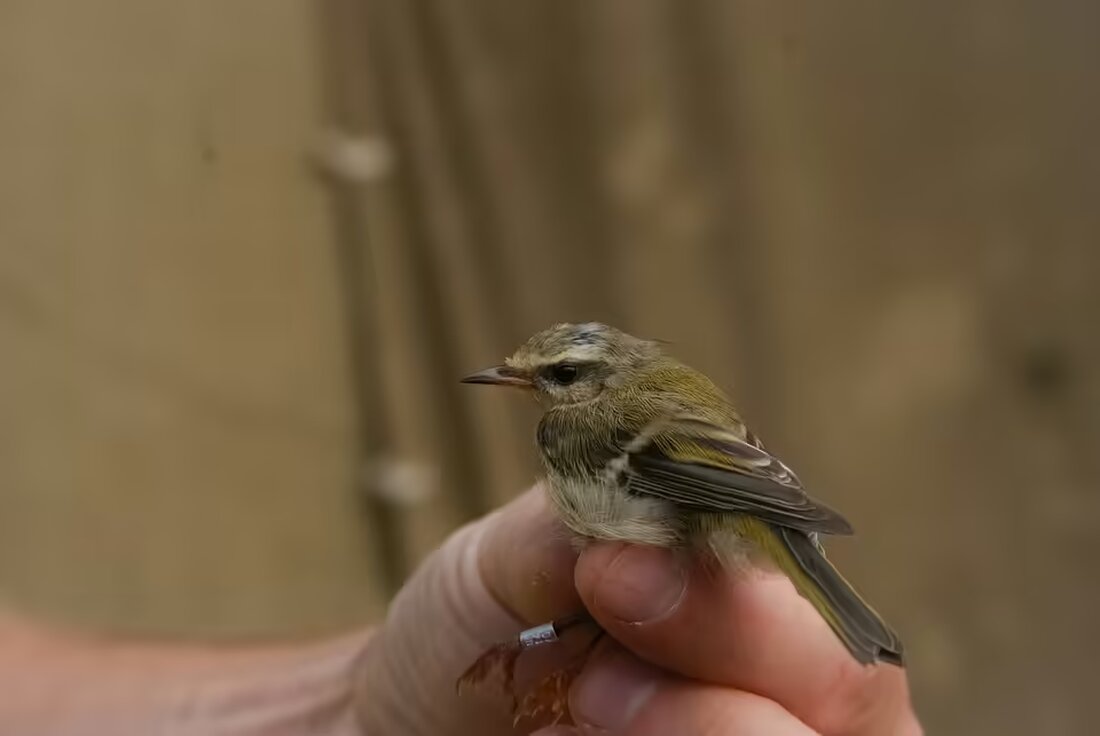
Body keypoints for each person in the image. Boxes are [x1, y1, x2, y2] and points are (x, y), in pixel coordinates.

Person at [0, 487, 921, 735]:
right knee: (589, 617)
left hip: (684, 579)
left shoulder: (588, 443)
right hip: (603, 621)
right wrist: (353, 719)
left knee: (610, 611)